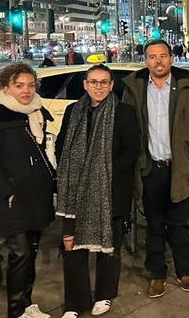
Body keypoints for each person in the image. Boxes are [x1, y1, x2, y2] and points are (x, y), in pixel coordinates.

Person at [121, 40, 189, 298]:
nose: (158, 61)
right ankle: (157, 274)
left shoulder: (187, 87)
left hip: (179, 167)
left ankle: (185, 272)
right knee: (154, 225)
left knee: (179, 224)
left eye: (162, 56)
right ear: (145, 60)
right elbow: (127, 130)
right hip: (149, 168)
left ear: (171, 58)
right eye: (152, 57)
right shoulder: (134, 88)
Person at [55, 64, 140, 317]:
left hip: (110, 189)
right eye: (93, 82)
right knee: (72, 247)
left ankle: (105, 294)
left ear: (112, 85)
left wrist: (100, 173)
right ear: (85, 84)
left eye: (104, 82)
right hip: (75, 192)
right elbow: (61, 146)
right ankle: (75, 301)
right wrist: (74, 173)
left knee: (110, 246)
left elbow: (130, 151)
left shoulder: (123, 112)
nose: (98, 87)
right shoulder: (73, 111)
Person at [0, 63, 56, 318]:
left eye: (31, 85)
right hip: (12, 199)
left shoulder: (36, 111)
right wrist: (6, 191)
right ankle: (15, 311)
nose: (26, 90)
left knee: (30, 252)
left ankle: (27, 304)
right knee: (20, 253)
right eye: (19, 85)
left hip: (37, 194)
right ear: (6, 87)